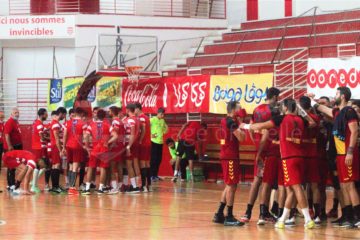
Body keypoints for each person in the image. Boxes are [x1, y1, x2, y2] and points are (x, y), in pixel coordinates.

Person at [240, 98, 316, 229]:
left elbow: (261, 126)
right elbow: (313, 122)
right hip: (300, 157)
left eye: (283, 107)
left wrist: (245, 126)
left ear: (286, 108)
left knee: (297, 188)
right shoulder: (300, 119)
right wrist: (300, 110)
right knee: (292, 190)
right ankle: (282, 219)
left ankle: (308, 219)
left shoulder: (281, 119)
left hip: (288, 158)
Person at [309, 87, 360, 228]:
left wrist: (349, 151)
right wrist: (312, 101)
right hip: (340, 155)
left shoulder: (349, 112)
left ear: (343, 96)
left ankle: (358, 217)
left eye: (337, 93)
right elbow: (324, 109)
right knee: (343, 186)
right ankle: (349, 217)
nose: (334, 95)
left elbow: (355, 131)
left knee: (349, 186)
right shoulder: (338, 112)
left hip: (347, 153)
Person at [240, 87, 281, 224]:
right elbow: (266, 134)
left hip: (259, 147)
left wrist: (255, 143)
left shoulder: (257, 109)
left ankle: (248, 212)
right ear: (274, 97)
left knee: (256, 180)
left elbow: (251, 128)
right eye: (278, 97)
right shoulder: (274, 111)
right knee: (267, 183)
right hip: (269, 150)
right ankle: (264, 213)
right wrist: (260, 149)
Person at [213, 101, 246, 226]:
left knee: (229, 185)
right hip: (230, 156)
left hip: (228, 155)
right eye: (239, 108)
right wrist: (242, 124)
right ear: (233, 109)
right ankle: (229, 216)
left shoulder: (226, 120)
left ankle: (219, 213)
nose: (241, 109)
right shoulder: (231, 122)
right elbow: (242, 138)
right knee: (232, 186)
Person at [83, 109, 118, 195]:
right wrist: (108, 142)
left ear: (97, 116)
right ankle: (101, 188)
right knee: (103, 168)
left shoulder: (91, 125)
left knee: (91, 167)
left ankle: (87, 188)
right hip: (104, 149)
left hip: (95, 149)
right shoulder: (107, 125)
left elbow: (86, 136)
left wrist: (87, 146)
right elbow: (116, 136)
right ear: (104, 116)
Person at [63, 107, 88, 195]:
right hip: (77, 146)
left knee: (70, 166)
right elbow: (85, 137)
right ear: (81, 114)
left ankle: (70, 186)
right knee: (75, 167)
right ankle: (72, 188)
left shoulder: (67, 122)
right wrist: (86, 146)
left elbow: (65, 134)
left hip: (68, 146)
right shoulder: (83, 123)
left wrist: (63, 147)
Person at [4, 107, 22, 192]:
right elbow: (7, 135)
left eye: (18, 112)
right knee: (11, 165)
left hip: (17, 146)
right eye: (15, 113)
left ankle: (12, 183)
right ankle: (10, 185)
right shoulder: (9, 122)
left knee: (14, 166)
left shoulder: (16, 122)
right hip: (12, 147)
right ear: (11, 114)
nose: (17, 114)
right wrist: (10, 146)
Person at [135, 103, 152, 192]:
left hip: (144, 143)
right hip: (148, 143)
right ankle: (148, 184)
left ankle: (144, 186)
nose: (134, 112)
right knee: (147, 163)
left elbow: (144, 129)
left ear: (138, 109)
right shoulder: (146, 117)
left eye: (135, 109)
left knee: (142, 164)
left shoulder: (141, 118)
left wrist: (140, 140)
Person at [30, 108, 48, 193]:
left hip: (36, 146)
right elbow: (41, 136)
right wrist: (49, 139)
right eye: (46, 114)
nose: (47, 115)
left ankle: (33, 183)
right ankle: (33, 185)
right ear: (42, 115)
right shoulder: (39, 124)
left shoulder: (36, 123)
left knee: (42, 165)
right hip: (39, 147)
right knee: (39, 165)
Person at [150, 107, 168, 181]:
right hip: (153, 141)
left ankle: (155, 175)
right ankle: (151, 175)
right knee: (153, 159)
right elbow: (145, 128)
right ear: (158, 113)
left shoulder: (163, 121)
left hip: (160, 142)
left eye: (163, 114)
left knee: (158, 159)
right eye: (161, 114)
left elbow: (165, 131)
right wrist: (150, 135)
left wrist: (165, 127)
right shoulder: (152, 119)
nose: (162, 116)